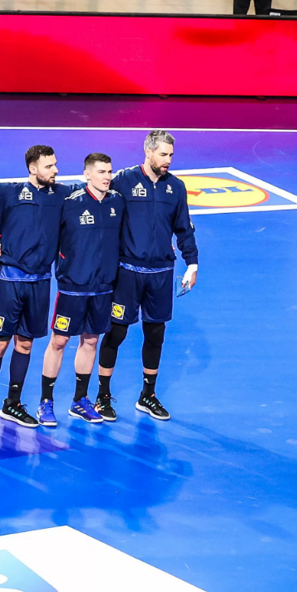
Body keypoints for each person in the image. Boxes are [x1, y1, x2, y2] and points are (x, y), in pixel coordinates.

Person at [97, 130, 199, 422]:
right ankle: (103, 396)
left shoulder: (176, 187)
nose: (167, 160)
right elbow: (101, 214)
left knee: (155, 334)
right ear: (148, 152)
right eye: (163, 154)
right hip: (127, 272)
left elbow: (183, 227)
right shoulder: (124, 181)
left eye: (170, 155)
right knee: (116, 332)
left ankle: (148, 395)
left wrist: (191, 263)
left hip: (161, 274)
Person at [0, 145, 66, 430]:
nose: (55, 170)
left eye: (55, 164)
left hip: (40, 282)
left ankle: (12, 403)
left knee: (25, 344)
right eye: (49, 166)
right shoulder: (9, 192)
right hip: (9, 281)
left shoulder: (61, 195)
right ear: (33, 168)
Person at [38, 153, 124, 426]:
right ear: (87, 174)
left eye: (110, 171)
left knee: (90, 341)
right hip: (73, 286)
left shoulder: (117, 202)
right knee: (59, 341)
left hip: (102, 287)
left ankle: (79, 400)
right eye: (101, 172)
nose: (107, 177)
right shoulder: (70, 202)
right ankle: (46, 401)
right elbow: (45, 233)